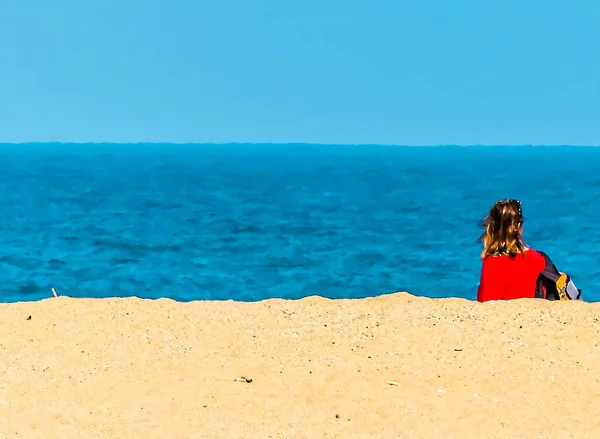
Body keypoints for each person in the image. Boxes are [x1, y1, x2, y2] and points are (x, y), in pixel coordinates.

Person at [476, 199, 546, 302]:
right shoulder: (538, 258)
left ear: (492, 229)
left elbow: (486, 303)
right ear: (519, 227)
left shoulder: (492, 264)